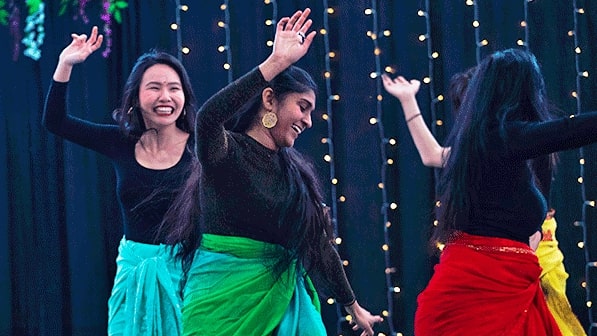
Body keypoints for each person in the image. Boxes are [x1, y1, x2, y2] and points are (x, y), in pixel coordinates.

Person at [165, 8, 382, 336]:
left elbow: (318, 245)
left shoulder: (295, 175)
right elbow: (207, 118)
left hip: (283, 306)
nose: (308, 120)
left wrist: (352, 305)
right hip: (219, 309)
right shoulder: (226, 152)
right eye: (303, 106)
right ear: (269, 99)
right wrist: (275, 65)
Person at [382, 48, 597, 335]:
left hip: (517, 272)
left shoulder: (493, 142)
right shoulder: (495, 140)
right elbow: (570, 129)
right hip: (490, 281)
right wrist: (409, 101)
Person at [43, 26, 198, 335]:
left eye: (174, 88)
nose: (165, 97)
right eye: (154, 87)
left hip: (187, 274)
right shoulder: (121, 141)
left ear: (184, 95)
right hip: (133, 274)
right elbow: (55, 121)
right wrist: (65, 63)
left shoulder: (201, 146)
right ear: (136, 97)